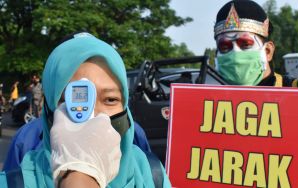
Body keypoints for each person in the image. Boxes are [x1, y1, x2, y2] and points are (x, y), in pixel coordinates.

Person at [0, 33, 171, 187]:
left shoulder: (152, 173)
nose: (94, 118)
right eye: (72, 101)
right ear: (49, 108)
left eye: (110, 100)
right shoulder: (13, 182)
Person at [213, 0, 298, 187]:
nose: (234, 54)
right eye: (224, 47)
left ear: (268, 51)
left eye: (244, 44)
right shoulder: (208, 103)